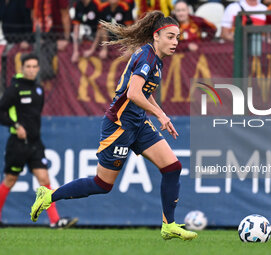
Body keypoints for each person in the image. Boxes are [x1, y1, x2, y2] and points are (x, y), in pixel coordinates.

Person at [30, 11, 198, 241]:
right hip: (120, 125)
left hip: (138, 122)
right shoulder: (147, 57)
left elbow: (144, 94)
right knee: (102, 184)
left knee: (172, 167)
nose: (175, 42)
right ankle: (48, 195)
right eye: (170, 37)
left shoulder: (155, 59)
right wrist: (160, 115)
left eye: (177, 38)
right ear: (156, 36)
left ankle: (169, 225)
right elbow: (133, 93)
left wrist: (160, 113)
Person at [0, 53, 78, 229]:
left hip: (35, 143)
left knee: (44, 179)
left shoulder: (38, 89)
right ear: (22, 68)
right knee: (10, 180)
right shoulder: (15, 89)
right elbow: (1, 112)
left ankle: (55, 221)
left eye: (35, 67)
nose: (32, 70)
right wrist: (16, 125)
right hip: (17, 144)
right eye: (29, 66)